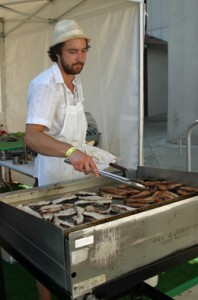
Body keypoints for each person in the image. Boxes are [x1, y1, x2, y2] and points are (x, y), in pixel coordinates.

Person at [25, 19, 99, 300]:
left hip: (77, 178)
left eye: (83, 51)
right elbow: (33, 137)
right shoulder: (46, 85)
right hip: (53, 181)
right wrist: (71, 152)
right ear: (57, 52)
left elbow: (73, 136)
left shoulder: (75, 83)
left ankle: (80, 292)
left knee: (78, 247)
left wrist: (89, 152)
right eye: (72, 52)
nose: (79, 58)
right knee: (49, 255)